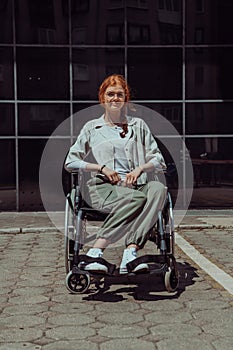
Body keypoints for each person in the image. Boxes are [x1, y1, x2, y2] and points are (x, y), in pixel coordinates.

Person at [65, 74, 167, 274]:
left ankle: (130, 253)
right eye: (110, 94)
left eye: (119, 94)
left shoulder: (139, 126)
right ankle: (96, 252)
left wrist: (140, 169)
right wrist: (100, 168)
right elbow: (71, 161)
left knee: (158, 189)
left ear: (126, 99)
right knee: (137, 198)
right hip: (104, 188)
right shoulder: (92, 128)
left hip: (137, 185)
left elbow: (158, 160)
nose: (115, 98)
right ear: (102, 99)